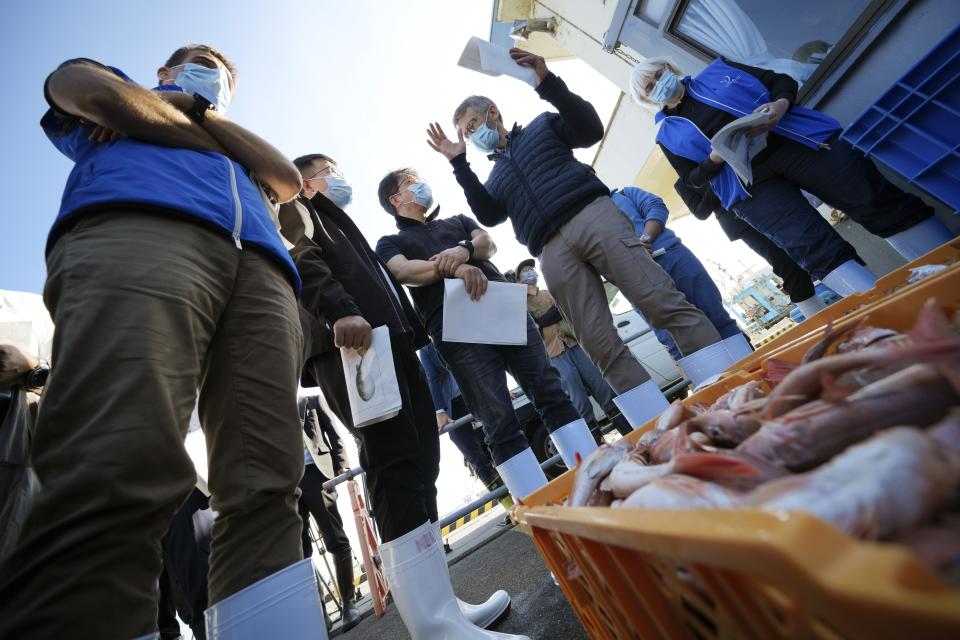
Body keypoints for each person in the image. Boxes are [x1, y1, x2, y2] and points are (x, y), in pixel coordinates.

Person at [0, 45, 311, 638]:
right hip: (140, 229)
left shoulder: (207, 119)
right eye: (196, 65)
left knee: (269, 482)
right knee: (114, 461)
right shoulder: (107, 78)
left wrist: (191, 114)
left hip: (262, 273)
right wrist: (196, 130)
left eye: (219, 78)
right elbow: (90, 93)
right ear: (164, 72)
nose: (211, 75)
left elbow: (287, 180)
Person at [281, 154, 520, 640]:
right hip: (352, 342)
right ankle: (432, 623)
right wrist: (339, 310)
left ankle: (444, 606)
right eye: (331, 168)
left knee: (419, 462)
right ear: (308, 180)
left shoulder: (338, 218)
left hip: (390, 340)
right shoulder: (294, 202)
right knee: (393, 462)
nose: (340, 176)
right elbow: (301, 258)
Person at [430, 47, 730, 431]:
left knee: (659, 299)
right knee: (598, 343)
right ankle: (662, 430)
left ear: (494, 113)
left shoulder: (542, 126)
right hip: (550, 251)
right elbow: (489, 214)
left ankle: (726, 391)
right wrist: (459, 164)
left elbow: (590, 129)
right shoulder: (494, 179)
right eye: (467, 133)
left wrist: (547, 83)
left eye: (475, 123)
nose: (474, 134)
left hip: (593, 216)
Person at [630, 56, 955, 297]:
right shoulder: (666, 136)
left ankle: (948, 269)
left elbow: (780, 80)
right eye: (649, 85)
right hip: (749, 184)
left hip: (794, 139)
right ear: (646, 99)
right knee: (812, 248)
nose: (659, 81)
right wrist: (716, 157)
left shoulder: (719, 70)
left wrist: (779, 106)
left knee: (872, 196)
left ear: (669, 67)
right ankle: (889, 305)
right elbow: (694, 181)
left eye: (659, 73)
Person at [376, 167, 595, 503]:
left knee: (550, 391)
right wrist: (457, 266)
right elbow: (404, 271)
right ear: (395, 199)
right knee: (497, 418)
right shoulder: (391, 242)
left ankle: (595, 477)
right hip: (455, 328)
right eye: (411, 182)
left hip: (502, 305)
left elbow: (486, 242)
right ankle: (540, 507)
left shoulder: (459, 221)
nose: (421, 184)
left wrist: (464, 250)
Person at [609, 186, 750, 362]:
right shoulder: (585, 222)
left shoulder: (625, 193)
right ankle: (716, 383)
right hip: (636, 279)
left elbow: (656, 206)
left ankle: (754, 368)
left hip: (672, 256)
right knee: (673, 340)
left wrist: (644, 239)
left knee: (716, 317)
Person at [673, 178, 826, 320]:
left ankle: (835, 307)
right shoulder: (683, 183)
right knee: (785, 264)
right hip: (740, 223)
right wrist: (715, 178)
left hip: (766, 202)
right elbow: (700, 212)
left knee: (809, 248)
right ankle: (821, 320)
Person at [515, 259, 628, 438]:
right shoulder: (518, 304)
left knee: (602, 387)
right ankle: (596, 443)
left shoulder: (546, 293)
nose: (531, 272)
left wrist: (543, 320)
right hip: (553, 353)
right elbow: (534, 326)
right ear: (517, 279)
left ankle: (628, 431)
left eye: (531, 269)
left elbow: (562, 308)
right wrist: (546, 317)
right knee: (578, 400)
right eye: (525, 270)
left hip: (574, 343)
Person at [298, 395, 360, 631]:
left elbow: (334, 433)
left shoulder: (312, 400)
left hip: (317, 474)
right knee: (300, 554)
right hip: (288, 482)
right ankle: (319, 615)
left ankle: (349, 602)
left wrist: (341, 466)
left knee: (335, 538)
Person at [418, 342, 499, 488]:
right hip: (452, 406)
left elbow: (479, 360)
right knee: (476, 457)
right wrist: (440, 410)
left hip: (475, 395)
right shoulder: (425, 349)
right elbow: (432, 378)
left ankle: (520, 495)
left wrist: (494, 387)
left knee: (498, 443)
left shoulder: (454, 331)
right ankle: (508, 502)